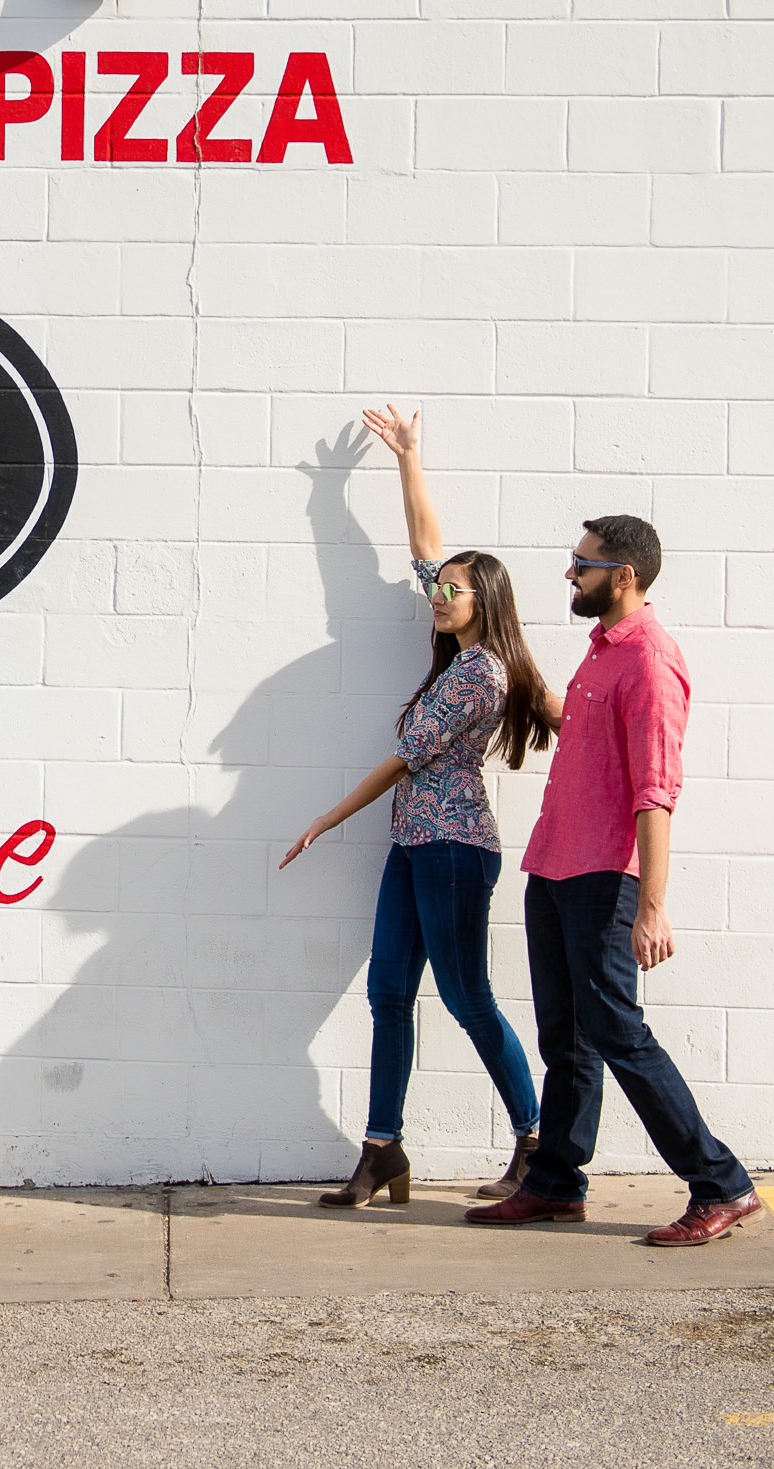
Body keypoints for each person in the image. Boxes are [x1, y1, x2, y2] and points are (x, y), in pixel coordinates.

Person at [464, 515, 763, 1246]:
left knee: (617, 1032)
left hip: (604, 875)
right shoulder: (601, 652)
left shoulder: (651, 661)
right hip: (555, 864)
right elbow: (591, 738)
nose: (571, 574)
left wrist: (652, 906)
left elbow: (655, 790)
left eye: (582, 564)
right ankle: (557, 1182)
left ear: (622, 575)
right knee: (565, 1037)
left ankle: (720, 1183)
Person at [282, 406, 554, 1209]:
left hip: (454, 850)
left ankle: (536, 1140)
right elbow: (427, 546)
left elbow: (404, 759)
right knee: (388, 994)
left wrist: (329, 819)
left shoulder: (481, 674)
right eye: (439, 589)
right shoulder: (462, 650)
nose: (438, 594)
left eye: (454, 591)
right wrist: (406, 459)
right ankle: (382, 1149)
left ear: (485, 600)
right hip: (414, 845)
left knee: (468, 998)